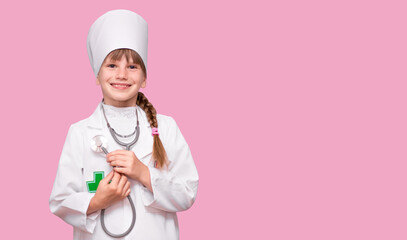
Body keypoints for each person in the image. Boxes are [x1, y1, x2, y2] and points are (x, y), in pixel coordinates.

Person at [49, 9, 199, 240]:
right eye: (111, 66)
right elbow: (60, 201)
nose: (122, 75)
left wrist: (144, 174)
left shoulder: (166, 128)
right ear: (97, 75)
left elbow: (187, 193)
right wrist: (98, 201)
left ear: (144, 77)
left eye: (132, 67)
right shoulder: (80, 132)